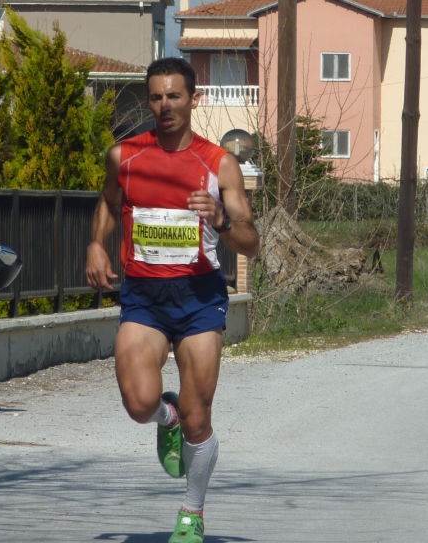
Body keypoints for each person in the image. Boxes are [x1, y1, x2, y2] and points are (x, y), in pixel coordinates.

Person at [85, 57, 260, 543]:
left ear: (194, 99)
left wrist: (220, 219)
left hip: (199, 298)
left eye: (175, 96)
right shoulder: (124, 156)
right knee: (139, 404)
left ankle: (192, 511)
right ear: (150, 101)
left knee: (199, 418)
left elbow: (251, 242)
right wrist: (97, 243)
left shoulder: (218, 163)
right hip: (144, 297)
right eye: (157, 97)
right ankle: (167, 415)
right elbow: (109, 202)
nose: (165, 106)